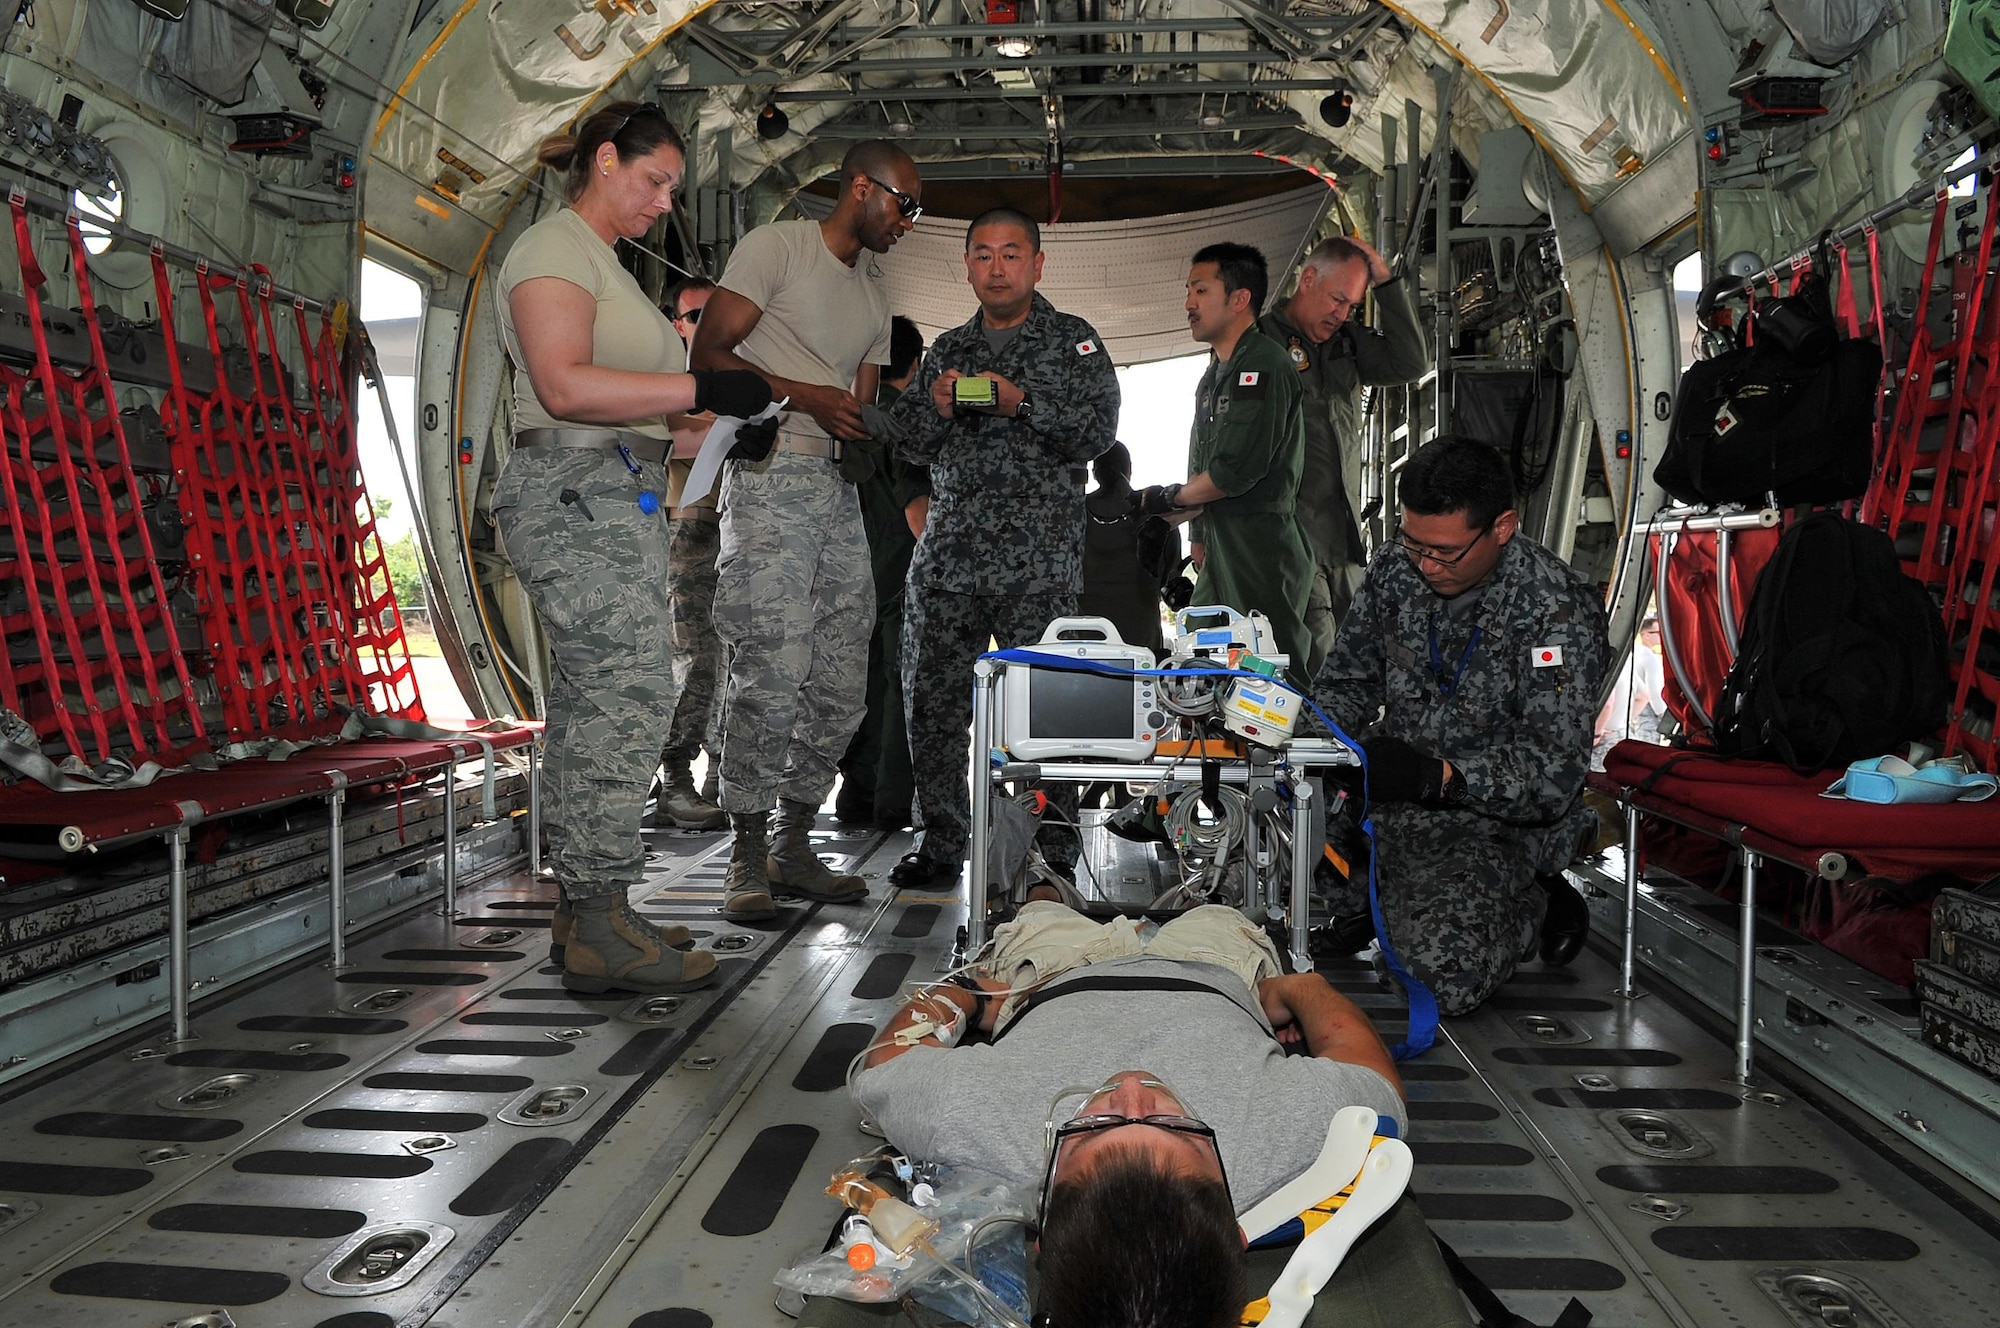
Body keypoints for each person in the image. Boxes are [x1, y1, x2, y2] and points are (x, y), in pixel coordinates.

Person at [490, 102, 773, 994]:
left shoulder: (605, 267)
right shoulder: (552, 252)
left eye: (673, 189)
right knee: (633, 686)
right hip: (568, 495)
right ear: (605, 160)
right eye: (654, 180)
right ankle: (602, 909)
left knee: (593, 700)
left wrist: (725, 424)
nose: (662, 202)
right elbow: (565, 387)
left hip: (613, 495)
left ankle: (589, 917)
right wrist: (700, 381)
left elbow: (644, 421)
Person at [850, 900, 1406, 1326]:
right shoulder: (1291, 1142)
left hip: (1054, 967)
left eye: (1092, 1128)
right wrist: (1298, 989)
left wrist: (969, 997)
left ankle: (1049, 877)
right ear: (1237, 1228)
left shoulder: (968, 1123)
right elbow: (1374, 1077)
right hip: (1215, 966)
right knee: (1217, 906)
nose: (1133, 1090)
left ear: (1043, 1225)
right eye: (1176, 1129)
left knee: (1040, 909)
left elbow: (882, 1064)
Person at [692, 140, 921, 920]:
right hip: (769, 476)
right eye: (904, 205)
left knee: (840, 675)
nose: (909, 222)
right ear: (863, 189)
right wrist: (806, 398)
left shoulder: (875, 289)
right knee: (770, 665)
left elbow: (856, 401)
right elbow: (709, 354)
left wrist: (894, 421)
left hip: (836, 488)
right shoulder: (777, 247)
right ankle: (746, 852)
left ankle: (794, 838)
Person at [1312, 436, 1611, 1014]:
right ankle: (1372, 903)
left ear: (1501, 527)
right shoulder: (1396, 572)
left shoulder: (1556, 608)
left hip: (1492, 823)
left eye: (1444, 552)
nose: (1425, 565)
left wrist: (1439, 777)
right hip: (1387, 801)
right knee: (1257, 869)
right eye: (1413, 543)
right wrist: (1315, 749)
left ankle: (1537, 897)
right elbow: (1345, 685)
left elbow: (1552, 776)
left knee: (1439, 977)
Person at [882, 207, 1121, 891]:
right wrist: (939, 405)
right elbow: (910, 444)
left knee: (1048, 708)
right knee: (932, 704)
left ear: (1038, 264)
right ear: (966, 266)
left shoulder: (1073, 342)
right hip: (949, 558)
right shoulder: (949, 349)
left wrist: (1021, 403)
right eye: (983, 254)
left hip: (1037, 562)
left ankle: (1050, 849)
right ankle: (942, 841)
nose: (997, 267)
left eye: (1011, 254)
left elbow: (1096, 431)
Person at [1137, 243, 1314, 687]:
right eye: (1188, 290)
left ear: (1239, 300)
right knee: (1207, 658)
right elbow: (1204, 464)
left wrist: (1166, 498)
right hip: (1221, 541)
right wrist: (1181, 526)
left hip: (1260, 542)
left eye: (1200, 289)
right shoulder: (1214, 374)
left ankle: (1304, 755)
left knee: (1274, 664)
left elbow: (1233, 471)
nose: (1189, 303)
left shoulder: (1263, 365)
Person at [1256, 235, 1427, 678]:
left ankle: (1346, 745)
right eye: (1337, 299)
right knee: (1318, 667)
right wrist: (1203, 529)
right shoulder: (1258, 344)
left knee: (1357, 665)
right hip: (1294, 537)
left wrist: (1387, 284)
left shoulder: (1347, 344)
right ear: (1308, 279)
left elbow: (1410, 364)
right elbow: (1214, 432)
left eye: (1351, 305)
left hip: (1346, 540)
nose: (1341, 314)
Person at [833, 314, 926, 831]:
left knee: (854, 678)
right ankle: (891, 797)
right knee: (902, 680)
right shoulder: (913, 424)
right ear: (914, 365)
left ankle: (855, 790)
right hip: (904, 569)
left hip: (850, 567)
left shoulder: (850, 422)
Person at [655, 276, 728, 831]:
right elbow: (667, 438)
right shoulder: (666, 377)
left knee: (745, 663)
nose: (705, 325)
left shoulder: (743, 374)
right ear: (678, 324)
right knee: (697, 660)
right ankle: (675, 775)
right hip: (690, 530)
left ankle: (723, 778)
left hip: (744, 531)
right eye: (696, 316)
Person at [1593, 612, 1665, 769]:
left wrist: (1597, 732)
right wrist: (1623, 720)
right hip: (1619, 733)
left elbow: (1607, 703)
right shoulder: (1623, 660)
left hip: (1602, 738)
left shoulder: (1600, 659)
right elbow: (1643, 695)